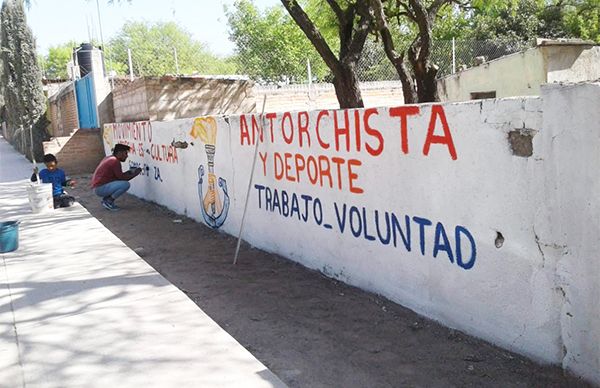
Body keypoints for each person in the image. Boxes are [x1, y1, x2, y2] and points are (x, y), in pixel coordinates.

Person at [91, 143, 142, 211]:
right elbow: (122, 178)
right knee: (125, 184)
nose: (126, 156)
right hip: (100, 189)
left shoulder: (109, 158)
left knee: (121, 183)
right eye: (125, 153)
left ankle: (106, 200)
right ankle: (109, 201)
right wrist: (135, 174)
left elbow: (118, 176)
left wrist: (130, 172)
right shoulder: (114, 161)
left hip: (98, 187)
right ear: (120, 153)